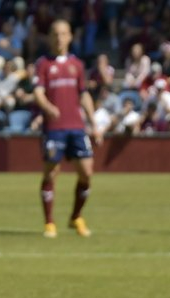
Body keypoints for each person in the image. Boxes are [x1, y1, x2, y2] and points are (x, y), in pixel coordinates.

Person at [33, 19, 100, 239]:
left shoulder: (77, 65)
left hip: (76, 127)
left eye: (63, 34)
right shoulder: (43, 64)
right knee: (51, 172)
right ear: (50, 37)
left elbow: (84, 95)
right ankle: (49, 222)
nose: (59, 38)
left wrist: (94, 123)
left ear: (70, 36)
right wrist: (48, 107)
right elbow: (38, 92)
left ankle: (76, 216)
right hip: (54, 128)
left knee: (87, 172)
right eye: (55, 34)